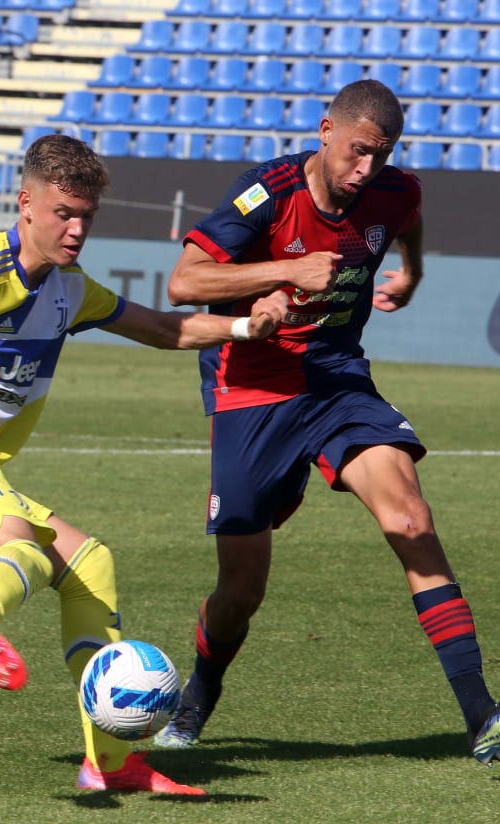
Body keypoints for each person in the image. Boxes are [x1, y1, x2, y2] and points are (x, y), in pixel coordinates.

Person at [0, 134, 287, 795]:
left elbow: (165, 329)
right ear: (26, 203)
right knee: (18, 537)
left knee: (88, 565)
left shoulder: (71, 289)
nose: (76, 229)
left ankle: (111, 763)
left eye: (86, 216)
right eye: (63, 213)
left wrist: (245, 328)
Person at [154, 80, 500, 767]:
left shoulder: (394, 191)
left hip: (337, 380)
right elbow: (184, 282)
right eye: (357, 152)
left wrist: (412, 272)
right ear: (325, 132)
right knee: (240, 592)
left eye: (381, 155)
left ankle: (483, 717)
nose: (366, 169)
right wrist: (285, 272)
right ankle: (198, 695)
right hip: (252, 389)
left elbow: (408, 215)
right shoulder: (268, 192)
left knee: (411, 519)